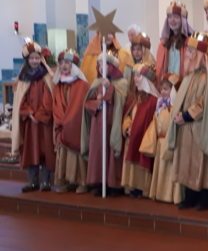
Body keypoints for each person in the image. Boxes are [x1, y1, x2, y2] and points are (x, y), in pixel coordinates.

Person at [167, 33, 208, 210]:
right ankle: (190, 197)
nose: (188, 55)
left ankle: (205, 198)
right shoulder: (190, 76)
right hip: (185, 127)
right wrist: (177, 114)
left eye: (192, 52)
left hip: (200, 127)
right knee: (186, 163)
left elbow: (204, 104)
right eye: (188, 51)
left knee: (201, 164)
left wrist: (185, 116)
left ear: (200, 55)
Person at [81, 52, 129, 196]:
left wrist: (110, 89)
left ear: (112, 66)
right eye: (99, 65)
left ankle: (113, 184)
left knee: (111, 150)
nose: (101, 67)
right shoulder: (96, 82)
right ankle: (99, 182)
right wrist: (97, 103)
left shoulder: (122, 82)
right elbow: (87, 103)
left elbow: (122, 101)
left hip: (112, 121)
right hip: (98, 122)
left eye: (105, 64)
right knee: (98, 151)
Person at [11, 41, 55, 192]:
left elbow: (49, 99)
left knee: (46, 151)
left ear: (41, 59)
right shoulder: (23, 79)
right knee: (30, 151)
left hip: (44, 123)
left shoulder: (47, 77)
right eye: (32, 58)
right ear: (27, 60)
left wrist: (40, 115)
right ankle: (32, 182)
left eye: (37, 58)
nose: (35, 61)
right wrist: (29, 113)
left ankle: (46, 182)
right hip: (30, 123)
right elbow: (19, 101)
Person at [52, 49, 89, 193]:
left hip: (75, 125)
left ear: (73, 65)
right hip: (62, 124)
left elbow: (79, 106)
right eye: (61, 63)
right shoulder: (59, 84)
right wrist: (60, 119)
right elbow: (56, 104)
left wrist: (69, 121)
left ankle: (82, 181)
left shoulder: (82, 85)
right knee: (64, 152)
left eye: (67, 62)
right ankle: (67, 180)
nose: (63, 66)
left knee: (77, 152)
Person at [121, 65, 159, 198]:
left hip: (144, 138)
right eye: (134, 76)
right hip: (132, 136)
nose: (135, 79)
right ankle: (132, 185)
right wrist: (127, 127)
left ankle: (143, 187)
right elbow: (128, 116)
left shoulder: (153, 101)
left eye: (138, 76)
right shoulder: (135, 97)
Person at [146, 78, 183, 204]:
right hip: (160, 142)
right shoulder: (159, 105)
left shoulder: (175, 108)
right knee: (160, 168)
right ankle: (159, 192)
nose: (163, 92)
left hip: (170, 141)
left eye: (166, 89)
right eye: (161, 89)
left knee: (170, 169)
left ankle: (171, 195)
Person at [155, 1, 193, 91]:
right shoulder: (163, 43)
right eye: (170, 17)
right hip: (167, 87)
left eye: (176, 17)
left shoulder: (190, 43)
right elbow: (159, 69)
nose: (172, 20)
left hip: (183, 87)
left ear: (183, 20)